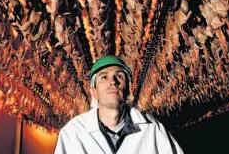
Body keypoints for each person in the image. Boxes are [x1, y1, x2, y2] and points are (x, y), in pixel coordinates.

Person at [54, 55, 184, 154]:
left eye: (119, 77)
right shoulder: (72, 133)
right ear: (94, 91)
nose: (113, 82)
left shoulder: (152, 129)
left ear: (128, 89)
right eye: (104, 77)